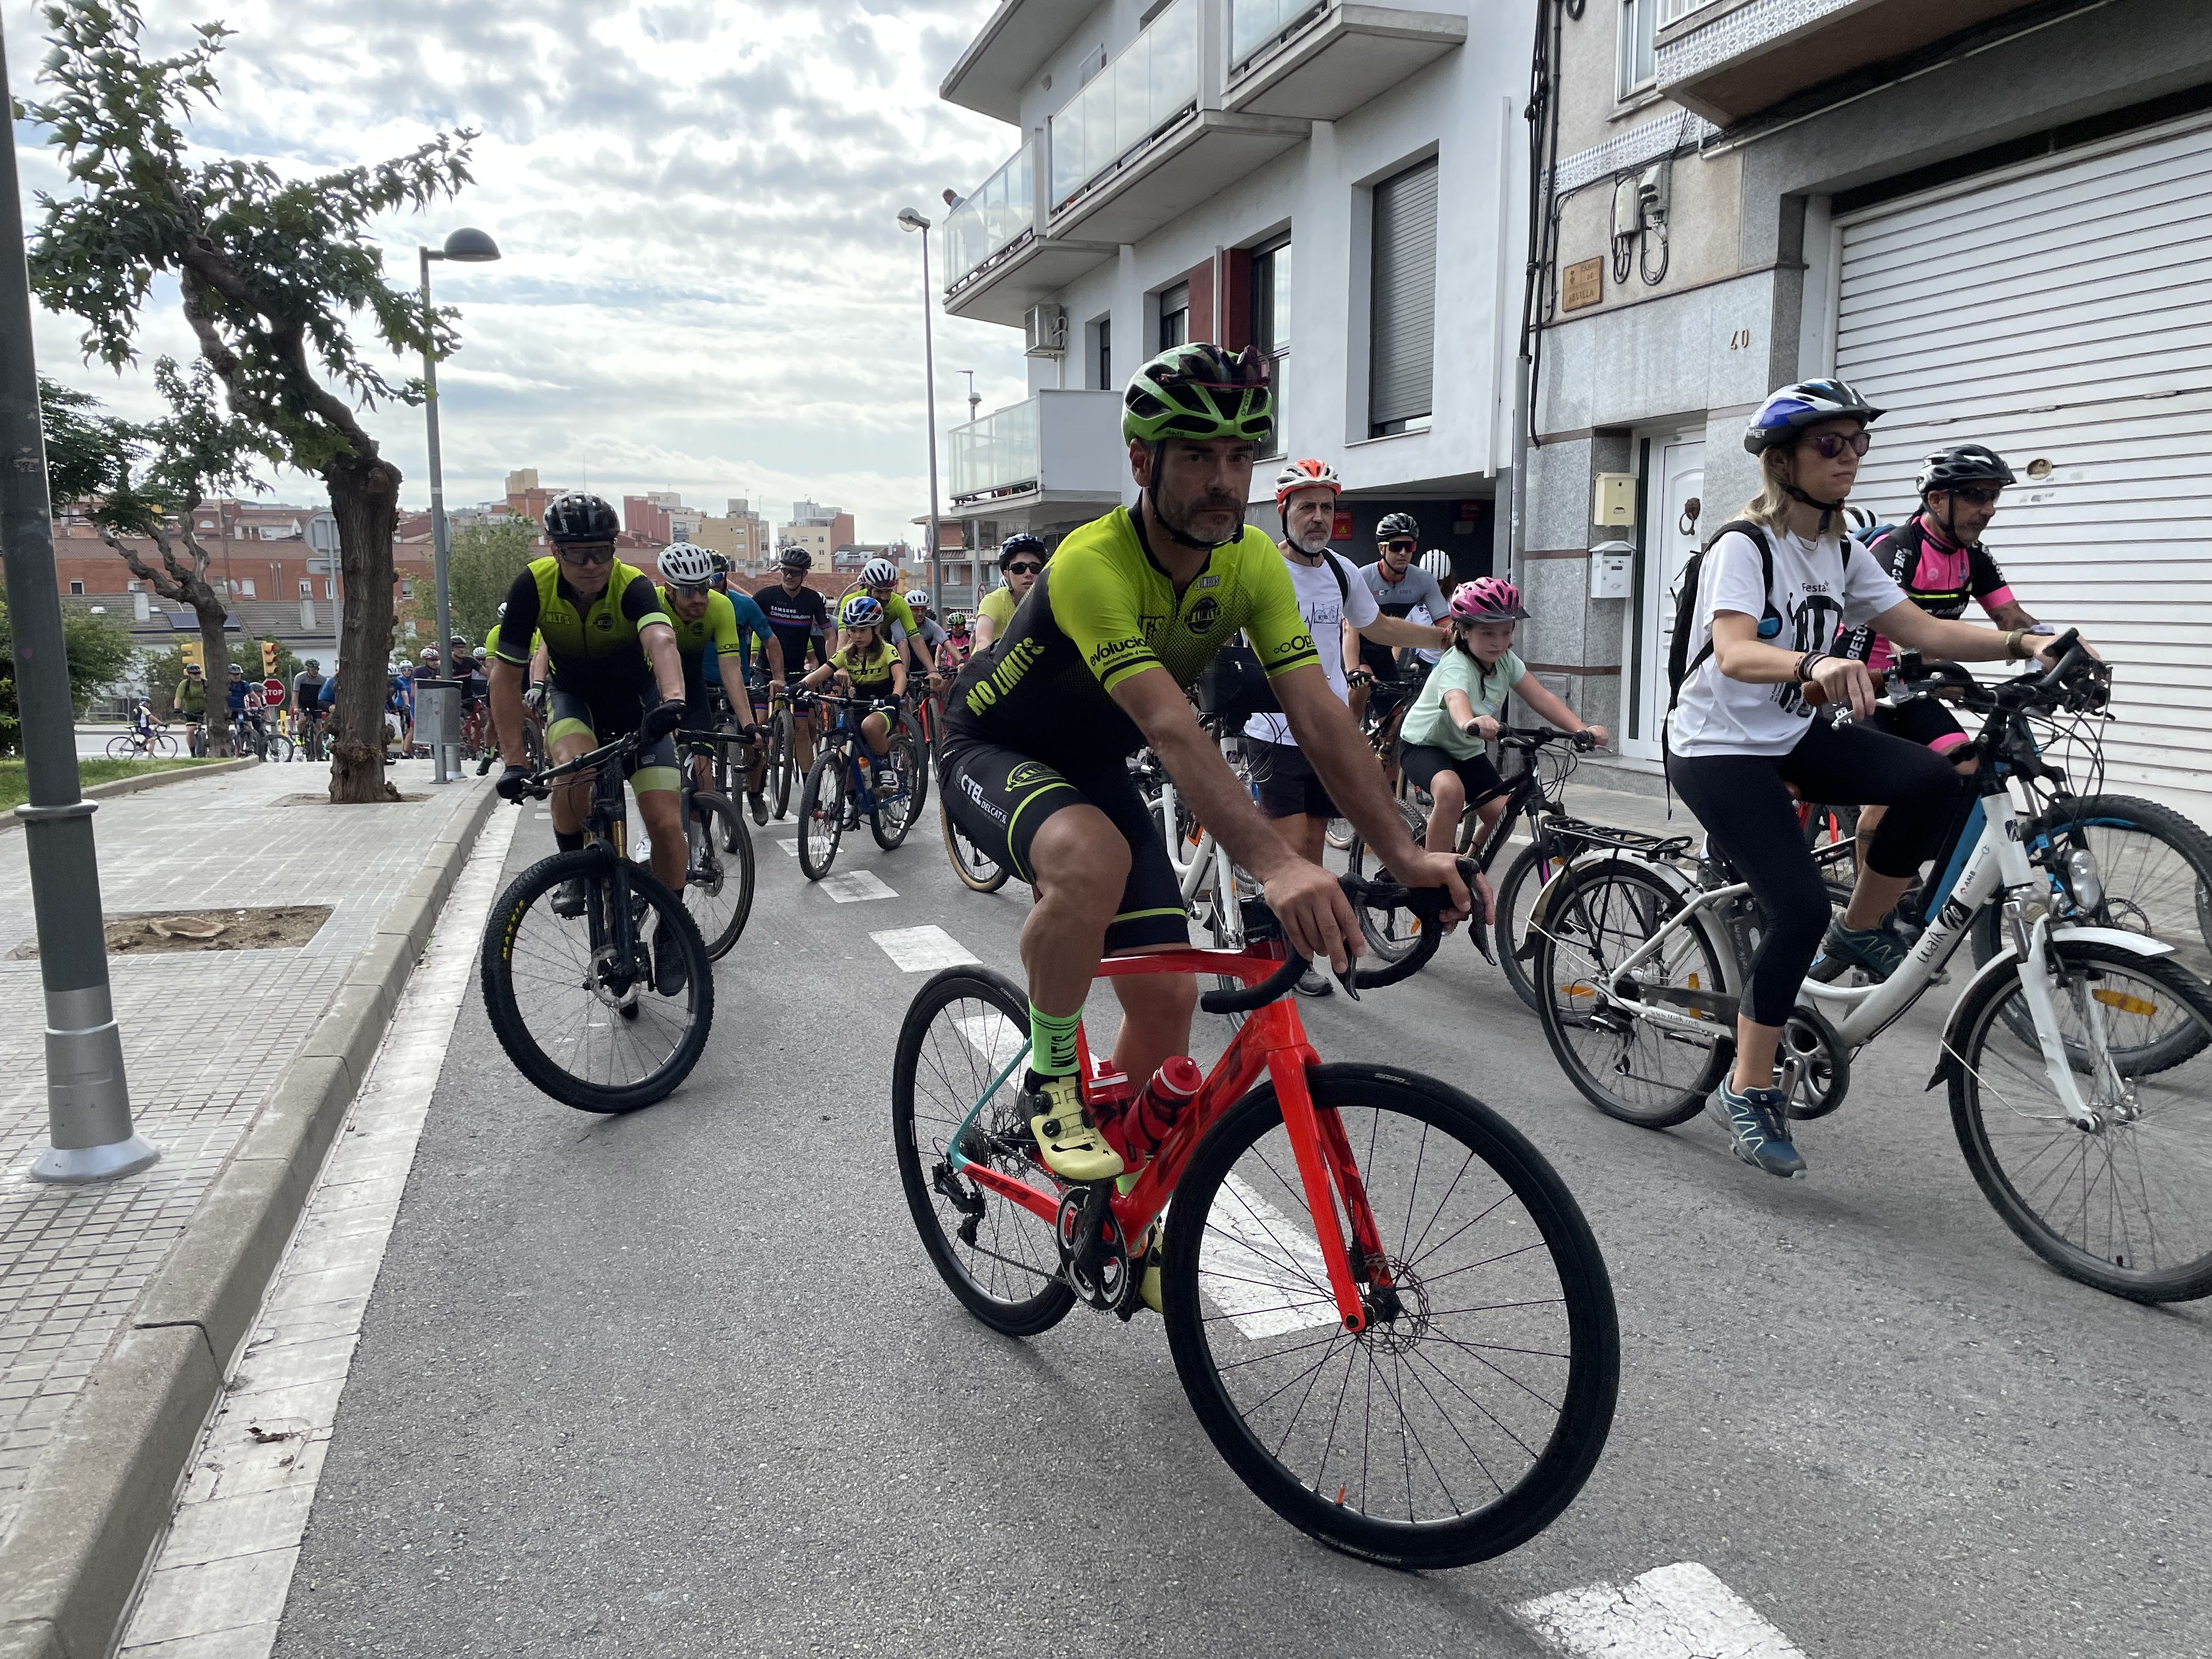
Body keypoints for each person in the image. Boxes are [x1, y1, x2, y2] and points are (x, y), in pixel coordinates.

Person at [938, 342, 1472, 1203]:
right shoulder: (1090, 563)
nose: (1224, 480)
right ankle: (1051, 1081)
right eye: (1196, 457)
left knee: (1169, 1000)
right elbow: (1171, 729)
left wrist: (1406, 856)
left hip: (1095, 762)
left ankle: (1105, 1211)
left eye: (1239, 457)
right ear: (1144, 461)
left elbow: (1320, 715)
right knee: (1088, 861)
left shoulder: (1251, 562)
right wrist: (1280, 864)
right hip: (994, 747)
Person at [1665, 381, 2084, 1182]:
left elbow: (1920, 628)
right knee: (1790, 907)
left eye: (1858, 442)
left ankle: (1856, 929)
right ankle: (1746, 1089)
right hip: (1717, 746)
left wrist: (2029, 645)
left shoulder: (1842, 550)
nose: (1850, 456)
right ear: (1782, 459)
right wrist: (1815, 662)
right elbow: (1733, 653)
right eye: (1831, 443)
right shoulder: (1745, 546)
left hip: (1786, 733)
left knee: (1934, 779)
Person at [1249, 460, 1456, 995]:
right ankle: (1281, 959)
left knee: (1314, 851)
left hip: (1328, 733)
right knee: (1292, 854)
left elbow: (1376, 626)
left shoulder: (1340, 570)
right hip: (1274, 729)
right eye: (1307, 507)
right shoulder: (1259, 566)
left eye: (1327, 507)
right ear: (1284, 512)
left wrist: (1441, 638)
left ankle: (1299, 956)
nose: (1318, 517)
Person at [490, 493, 695, 995]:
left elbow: (663, 641)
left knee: (666, 822)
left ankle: (673, 926)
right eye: (575, 553)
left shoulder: (633, 586)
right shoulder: (532, 587)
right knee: (572, 768)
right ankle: (576, 871)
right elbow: (504, 678)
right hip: (574, 696)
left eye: (601, 552)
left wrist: (673, 699)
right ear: (554, 550)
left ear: (614, 549)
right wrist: (514, 762)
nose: (589, 565)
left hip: (639, 702)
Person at [1833, 443, 2046, 878]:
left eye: (1993, 498)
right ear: (1936, 499)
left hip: (1911, 688)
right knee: (1888, 795)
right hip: (1860, 687)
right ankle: (1867, 918)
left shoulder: (1974, 556)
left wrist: (2055, 647)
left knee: (1966, 766)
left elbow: (2012, 618)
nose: (1987, 510)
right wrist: (1942, 671)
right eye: (1975, 496)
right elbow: (1901, 635)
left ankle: (1915, 867)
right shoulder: (1900, 549)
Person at [1398, 577, 1605, 858]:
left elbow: (1542, 698)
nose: (1499, 643)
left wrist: (1583, 730)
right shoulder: (1455, 665)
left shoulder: (1506, 661)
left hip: (1466, 750)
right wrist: (1468, 722)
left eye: (1506, 632)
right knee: (1450, 791)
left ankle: (1469, 865)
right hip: (1424, 745)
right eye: (1487, 633)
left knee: (1504, 814)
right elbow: (1456, 699)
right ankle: (1434, 880)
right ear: (1464, 631)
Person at [655, 541, 784, 806]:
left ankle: (739, 801)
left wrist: (749, 726)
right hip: (661, 679)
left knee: (709, 775)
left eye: (705, 586)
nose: (700, 598)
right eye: (689, 591)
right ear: (669, 589)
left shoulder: (724, 605)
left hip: (701, 680)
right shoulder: (652, 603)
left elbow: (732, 669)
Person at [799, 593, 908, 798]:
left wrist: (895, 696)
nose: (857, 635)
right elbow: (821, 672)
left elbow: (900, 676)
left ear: (876, 629)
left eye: (863, 630)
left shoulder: (887, 650)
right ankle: (849, 802)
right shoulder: (846, 653)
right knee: (844, 755)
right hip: (858, 704)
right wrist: (801, 685)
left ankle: (887, 769)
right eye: (853, 630)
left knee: (870, 726)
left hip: (884, 704)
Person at [1347, 513, 1450, 727]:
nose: (1403, 553)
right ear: (1382, 549)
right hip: (1357, 646)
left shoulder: (1423, 580)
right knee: (1361, 686)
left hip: (1382, 649)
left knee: (1395, 725)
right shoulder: (1364, 577)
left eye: (1409, 547)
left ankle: (1386, 758)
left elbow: (1447, 628)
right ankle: (1349, 738)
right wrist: (1353, 670)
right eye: (1396, 547)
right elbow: (1350, 629)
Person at [756, 546, 832, 782]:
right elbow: (743, 628)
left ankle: (811, 789)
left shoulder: (812, 601)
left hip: (797, 675)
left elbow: (830, 636)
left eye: (795, 573)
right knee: (758, 728)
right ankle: (756, 788)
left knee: (801, 727)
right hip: (764, 670)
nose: (789, 576)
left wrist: (833, 667)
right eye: (785, 571)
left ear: (804, 575)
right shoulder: (765, 597)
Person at [972, 533, 1045, 650]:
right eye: (1019, 568)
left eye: (1035, 568)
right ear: (1006, 574)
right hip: (988, 667)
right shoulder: (993, 601)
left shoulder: (1047, 603)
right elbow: (983, 641)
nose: (1028, 574)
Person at [173, 662, 209, 750]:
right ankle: (193, 752)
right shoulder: (185, 684)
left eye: (199, 673)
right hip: (191, 712)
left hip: (205, 711)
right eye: (194, 674)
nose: (197, 675)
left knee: (213, 729)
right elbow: (178, 697)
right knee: (190, 731)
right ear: (189, 675)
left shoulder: (206, 684)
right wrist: (177, 708)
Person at [293, 659, 326, 751]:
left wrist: (323, 708)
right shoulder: (299, 678)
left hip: (315, 704)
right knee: (302, 720)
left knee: (318, 726)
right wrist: (295, 707)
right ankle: (300, 736)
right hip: (302, 703)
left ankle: (321, 748)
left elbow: (322, 695)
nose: (316, 672)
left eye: (317, 669)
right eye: (313, 670)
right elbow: (296, 694)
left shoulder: (322, 679)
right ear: (307, 670)